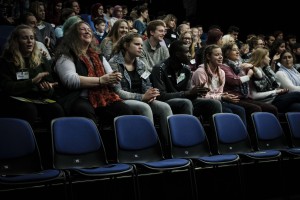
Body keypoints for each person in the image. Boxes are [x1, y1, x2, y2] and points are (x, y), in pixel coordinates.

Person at [53, 21, 132, 125]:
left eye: (89, 30)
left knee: (124, 110)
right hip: (78, 98)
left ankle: (118, 140)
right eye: (82, 29)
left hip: (101, 96)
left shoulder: (97, 56)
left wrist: (114, 78)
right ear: (74, 35)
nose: (87, 31)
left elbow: (111, 77)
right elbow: (70, 80)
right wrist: (100, 80)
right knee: (85, 111)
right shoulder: (66, 56)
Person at [109, 32, 173, 145]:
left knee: (164, 107)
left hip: (142, 97)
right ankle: (149, 146)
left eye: (141, 45)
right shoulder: (114, 63)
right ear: (126, 45)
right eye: (137, 44)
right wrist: (142, 97)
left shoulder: (141, 64)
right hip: (123, 100)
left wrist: (151, 93)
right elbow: (117, 91)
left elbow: (147, 84)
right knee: (144, 107)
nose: (140, 47)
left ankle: (171, 146)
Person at [0, 24, 65, 125]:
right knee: (29, 110)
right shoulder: (7, 60)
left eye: (32, 38)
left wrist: (47, 89)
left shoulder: (41, 59)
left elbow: (51, 84)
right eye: (25, 38)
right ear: (16, 41)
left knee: (56, 109)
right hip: (15, 98)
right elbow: (7, 87)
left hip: (37, 97)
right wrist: (32, 82)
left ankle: (54, 140)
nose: (30, 41)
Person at [151, 40, 222, 123]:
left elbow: (189, 92)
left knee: (214, 103)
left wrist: (197, 92)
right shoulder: (159, 69)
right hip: (167, 102)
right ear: (177, 54)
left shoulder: (186, 69)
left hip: (184, 100)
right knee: (186, 103)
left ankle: (213, 134)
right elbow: (161, 96)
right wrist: (187, 93)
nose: (189, 55)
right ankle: (187, 133)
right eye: (187, 52)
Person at [192, 44, 247, 125]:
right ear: (208, 56)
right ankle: (223, 135)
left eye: (221, 54)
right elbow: (203, 95)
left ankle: (241, 136)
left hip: (217, 100)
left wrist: (224, 95)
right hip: (201, 102)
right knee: (228, 111)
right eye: (217, 55)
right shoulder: (200, 72)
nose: (221, 57)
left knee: (240, 110)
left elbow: (219, 92)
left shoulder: (221, 72)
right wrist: (221, 97)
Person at [248, 48, 300, 112]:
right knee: (297, 94)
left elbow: (272, 81)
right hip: (270, 101)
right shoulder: (253, 72)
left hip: (276, 98)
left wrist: (278, 90)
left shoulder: (264, 70)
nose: (269, 58)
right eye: (268, 56)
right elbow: (253, 96)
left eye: (290, 57)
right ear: (261, 58)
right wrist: (275, 91)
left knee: (297, 106)